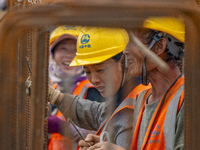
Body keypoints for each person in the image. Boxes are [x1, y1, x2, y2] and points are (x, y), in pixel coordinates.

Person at [83, 17, 185, 150]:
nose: (125, 51)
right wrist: (108, 142)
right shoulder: (143, 99)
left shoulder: (188, 101)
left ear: (159, 46)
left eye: (132, 42)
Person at [47, 27, 151, 150]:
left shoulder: (142, 101)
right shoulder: (121, 97)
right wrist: (56, 96)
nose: (94, 79)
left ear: (125, 62)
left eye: (101, 70)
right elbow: (96, 112)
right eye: (87, 71)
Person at [47, 25, 104, 150]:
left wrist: (60, 126)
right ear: (53, 53)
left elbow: (97, 133)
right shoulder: (53, 87)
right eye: (63, 49)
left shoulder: (94, 89)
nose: (68, 55)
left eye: (75, 50)